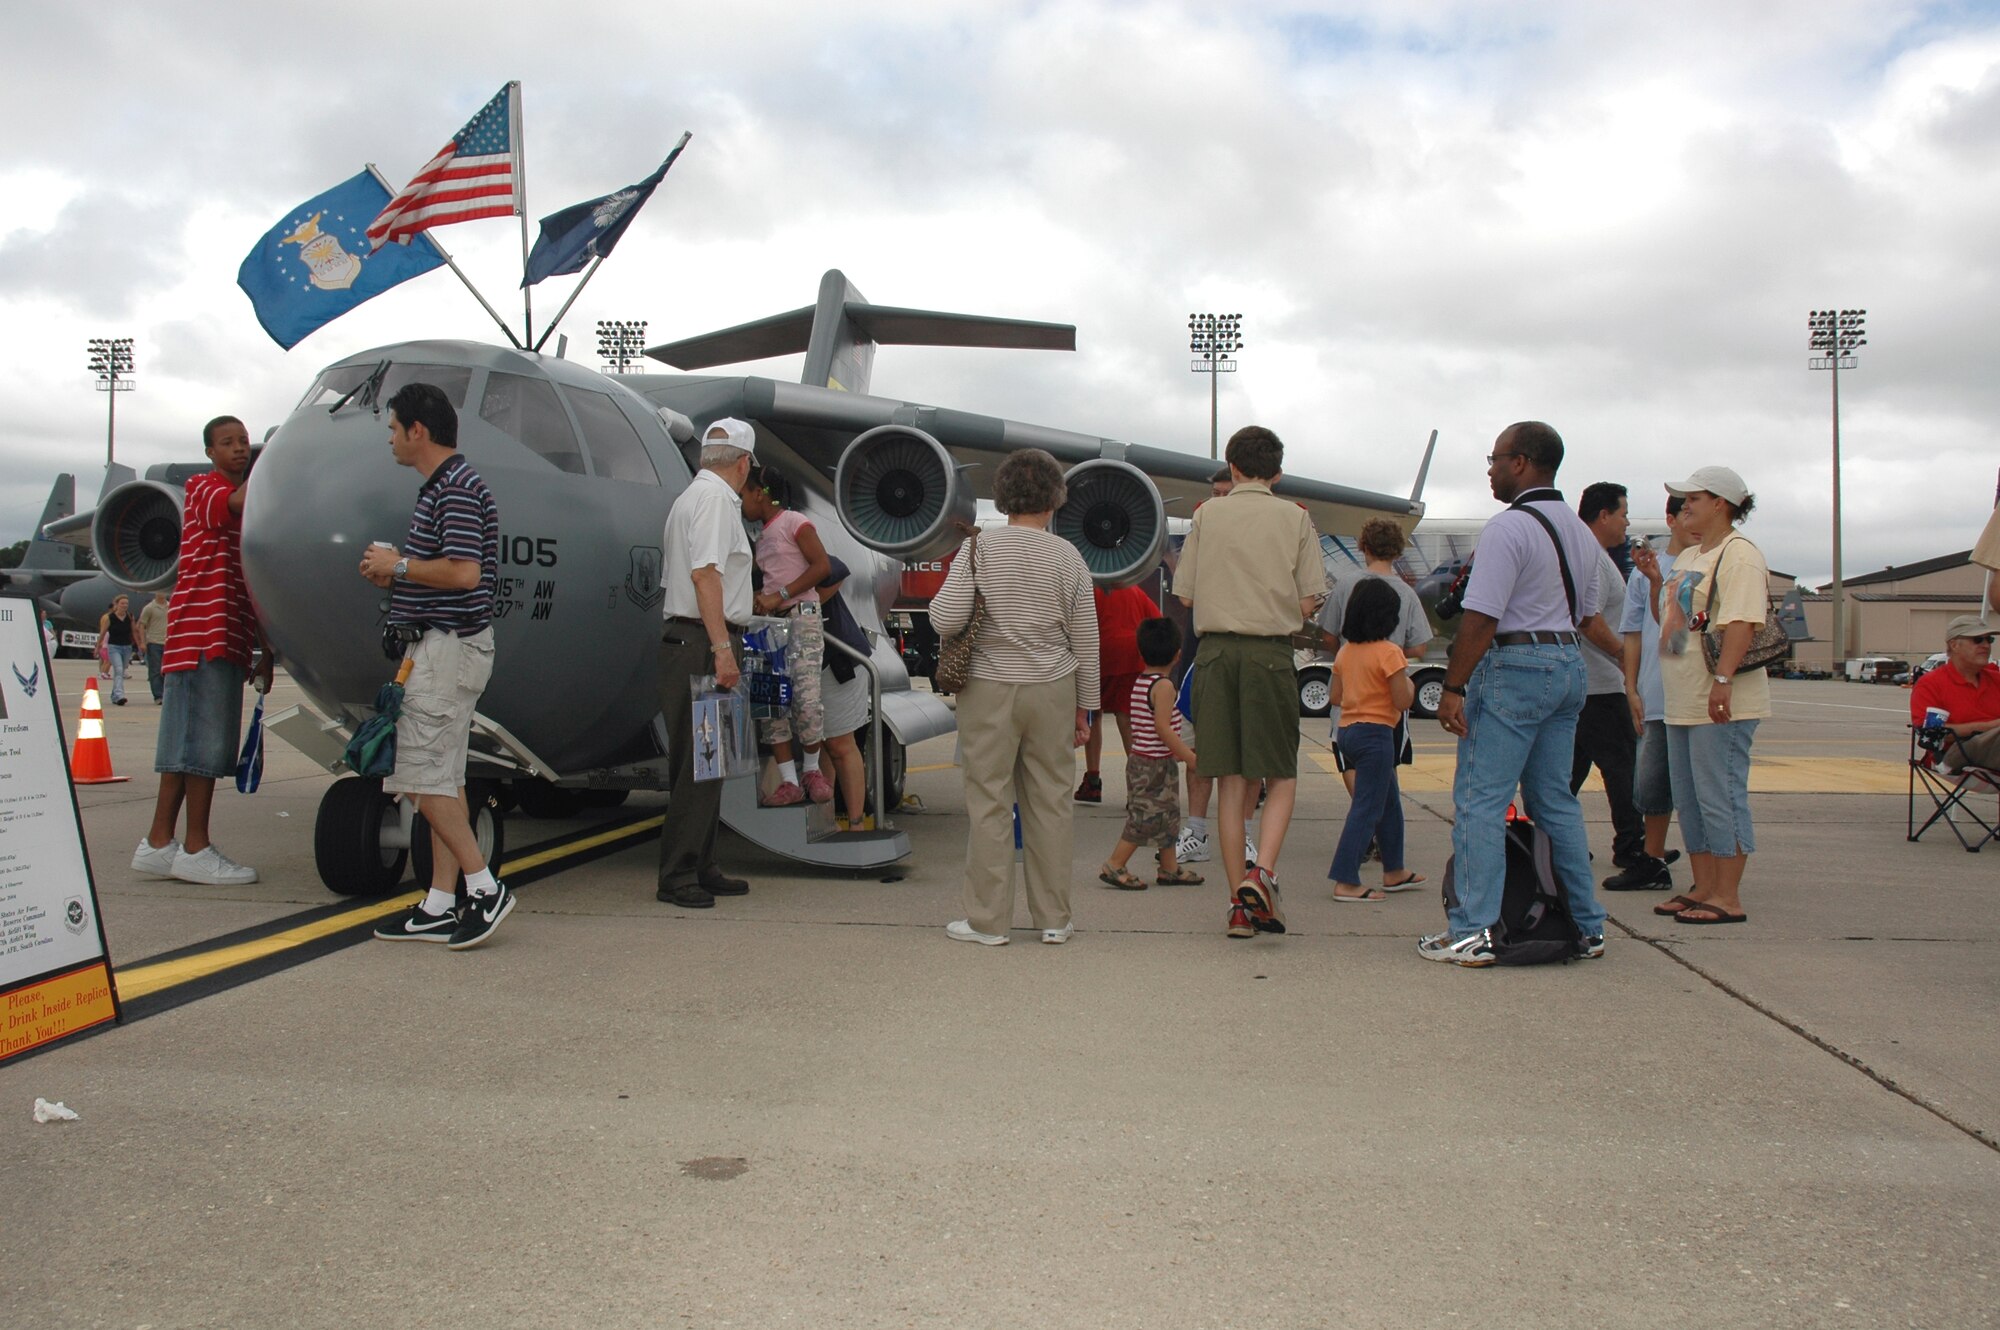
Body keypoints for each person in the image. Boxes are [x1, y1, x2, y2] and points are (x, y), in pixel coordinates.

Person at [1427, 422, 1612, 965]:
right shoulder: (1581, 533)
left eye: (1495, 459)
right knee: (1556, 801)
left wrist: (1452, 687)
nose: (1489, 469)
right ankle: (1588, 925)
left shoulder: (1508, 529)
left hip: (1514, 665)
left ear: (1522, 463)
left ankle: (1472, 931)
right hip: (1567, 664)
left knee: (1480, 802)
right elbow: (1588, 618)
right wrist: (1624, 662)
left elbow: (1481, 617)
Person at [363, 383, 512, 950]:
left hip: (447, 651)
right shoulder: (449, 487)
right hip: (445, 647)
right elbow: (449, 569)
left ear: (417, 431)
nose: (392, 440)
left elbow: (465, 573)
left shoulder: (455, 489)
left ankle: (483, 887)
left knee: (422, 777)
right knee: (445, 778)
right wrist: (399, 573)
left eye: (394, 429)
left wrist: (398, 565)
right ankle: (440, 904)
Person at [930, 447, 1098, 946]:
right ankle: (1054, 918)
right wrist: (1084, 708)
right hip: (1052, 687)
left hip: (988, 687)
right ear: (1054, 501)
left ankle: (988, 921)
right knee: (1051, 801)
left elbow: (944, 618)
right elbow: (1086, 639)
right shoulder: (1067, 556)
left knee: (989, 802)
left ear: (1002, 500)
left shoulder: (979, 549)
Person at [1172, 425, 1325, 938]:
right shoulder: (1296, 518)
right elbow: (1308, 602)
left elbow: (1186, 595)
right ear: (1278, 472)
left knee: (1230, 784)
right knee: (1280, 774)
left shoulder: (1206, 514)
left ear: (1231, 467)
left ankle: (1239, 904)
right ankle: (1263, 876)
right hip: (1269, 656)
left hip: (1215, 654)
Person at [131, 415, 273, 887]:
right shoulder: (204, 488)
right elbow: (237, 497)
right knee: (204, 749)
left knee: (181, 748)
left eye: (244, 442)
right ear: (210, 452)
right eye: (227, 443)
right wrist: (276, 465)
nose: (238, 449)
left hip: (221, 637)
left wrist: (264, 651)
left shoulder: (243, 512)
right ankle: (195, 847)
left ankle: (157, 843)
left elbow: (253, 587)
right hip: (202, 636)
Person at [1652, 466, 1768, 927]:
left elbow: (1740, 622)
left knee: (1721, 794)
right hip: (1683, 698)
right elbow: (1677, 629)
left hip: (1719, 699)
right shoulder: (1690, 557)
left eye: (1692, 499)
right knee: (1691, 796)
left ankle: (1728, 895)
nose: (1684, 508)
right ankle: (1702, 885)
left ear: (1720, 503)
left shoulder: (1738, 555)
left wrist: (1723, 681)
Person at [656, 419, 758, 909]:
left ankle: (700, 863)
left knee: (707, 761)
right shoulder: (718, 501)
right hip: (703, 640)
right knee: (700, 765)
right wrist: (722, 648)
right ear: (742, 464)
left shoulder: (690, 498)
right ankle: (679, 874)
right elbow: (706, 574)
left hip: (691, 638)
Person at [1605, 496, 1691, 890]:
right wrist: (1632, 685)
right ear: (1670, 519)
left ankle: (1706, 869)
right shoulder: (1642, 576)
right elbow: (1634, 634)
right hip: (1656, 690)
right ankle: (1652, 858)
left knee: (1696, 786)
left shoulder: (1706, 567)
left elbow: (1679, 635)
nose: (1692, 521)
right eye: (1684, 513)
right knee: (1651, 784)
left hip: (1694, 690)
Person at [1316, 517, 1429, 806]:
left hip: (1351, 688)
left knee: (1349, 759)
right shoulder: (1407, 593)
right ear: (1398, 550)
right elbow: (1420, 645)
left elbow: (1327, 635)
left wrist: (1347, 651)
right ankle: (1378, 815)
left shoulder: (1345, 585)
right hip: (1389, 694)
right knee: (1385, 760)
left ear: (1362, 545)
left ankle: (1366, 813)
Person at [1326, 578, 1426, 901]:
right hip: (1377, 734)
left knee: (1389, 799)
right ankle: (1346, 878)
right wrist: (1409, 685)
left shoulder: (1345, 652)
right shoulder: (1390, 653)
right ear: (1389, 617)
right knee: (1367, 807)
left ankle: (1394, 869)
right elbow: (1402, 700)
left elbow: (1335, 696)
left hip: (1349, 732)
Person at [1174, 466, 1253, 866]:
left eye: (1228, 493)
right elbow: (1184, 595)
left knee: (1249, 751)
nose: (1219, 502)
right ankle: (1197, 830)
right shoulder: (1201, 533)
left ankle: (1246, 831)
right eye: (1215, 495)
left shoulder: (1261, 536)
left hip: (1250, 653)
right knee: (1198, 748)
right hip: (1202, 652)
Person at [742, 464, 833, 806]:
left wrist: (778, 595)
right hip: (769, 627)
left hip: (801, 618)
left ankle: (811, 769)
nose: (741, 502)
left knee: (807, 701)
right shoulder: (761, 535)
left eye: (743, 494)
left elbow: (822, 566)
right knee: (771, 704)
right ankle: (789, 781)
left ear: (760, 493)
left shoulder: (794, 522)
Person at [1569, 482, 1647, 873]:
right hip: (1600, 686)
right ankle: (1632, 848)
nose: (1626, 522)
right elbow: (1589, 619)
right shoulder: (1594, 559)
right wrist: (1621, 655)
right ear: (1603, 515)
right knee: (1623, 771)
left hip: (1582, 686)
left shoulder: (1584, 552)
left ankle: (1558, 845)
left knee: (1565, 776)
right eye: (1623, 514)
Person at [1096, 617, 1201, 890]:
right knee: (1145, 817)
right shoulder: (1164, 687)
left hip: (1149, 760)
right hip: (1152, 765)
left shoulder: (1142, 681)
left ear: (1141, 653)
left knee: (1167, 815)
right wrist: (1188, 756)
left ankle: (1169, 868)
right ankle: (1115, 864)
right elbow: (1163, 729)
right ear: (1178, 655)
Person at [1075, 581, 1160, 804]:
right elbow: (1157, 618)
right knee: (1127, 717)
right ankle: (1137, 787)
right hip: (1132, 655)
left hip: (1098, 655)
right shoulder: (1134, 589)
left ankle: (1092, 781)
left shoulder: (1089, 589)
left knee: (1092, 715)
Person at [1908, 615, 2000, 771]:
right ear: (1954, 645)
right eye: (1978, 640)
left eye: (1989, 640)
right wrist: (1993, 727)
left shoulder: (1996, 680)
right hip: (1952, 755)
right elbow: (1932, 735)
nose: (1986, 645)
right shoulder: (1932, 683)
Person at [98, 594, 136, 705]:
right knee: (118, 670)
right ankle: (120, 695)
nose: (125, 605)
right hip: (114, 647)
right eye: (122, 603)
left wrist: (140, 643)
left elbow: (134, 631)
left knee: (121, 671)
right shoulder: (110, 617)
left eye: (126, 603)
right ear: (117, 604)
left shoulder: (130, 616)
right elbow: (103, 632)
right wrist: (98, 646)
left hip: (127, 647)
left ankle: (114, 696)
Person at [137, 591, 169, 703]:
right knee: (155, 670)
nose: (163, 593)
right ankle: (158, 696)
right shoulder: (149, 608)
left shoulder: (170, 606)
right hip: (154, 642)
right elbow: (142, 625)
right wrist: (142, 642)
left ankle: (166, 694)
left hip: (167, 642)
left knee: (167, 670)